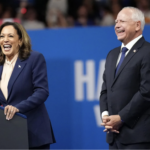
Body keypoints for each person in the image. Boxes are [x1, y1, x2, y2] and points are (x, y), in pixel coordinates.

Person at [100, 7, 150, 149]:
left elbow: (146, 92)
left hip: (138, 137)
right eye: (116, 21)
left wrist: (121, 118)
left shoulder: (147, 52)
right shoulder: (112, 54)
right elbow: (105, 90)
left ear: (137, 25)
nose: (116, 25)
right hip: (114, 137)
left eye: (122, 21)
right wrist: (106, 116)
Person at [0, 22, 56, 149]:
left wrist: (17, 108)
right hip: (7, 134)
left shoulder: (34, 58)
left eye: (10, 36)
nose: (5, 40)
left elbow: (42, 91)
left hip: (32, 131)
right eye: (2, 36)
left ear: (20, 40)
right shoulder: (0, 64)